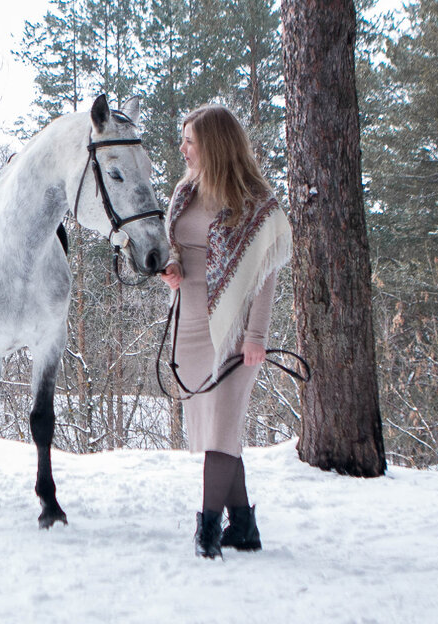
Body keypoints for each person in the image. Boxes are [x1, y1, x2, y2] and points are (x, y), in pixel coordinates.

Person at [159, 105, 292, 559]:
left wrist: (257, 334)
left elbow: (265, 274)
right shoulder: (185, 191)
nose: (183, 148)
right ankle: (245, 529)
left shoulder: (254, 201)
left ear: (214, 144)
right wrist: (172, 268)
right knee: (221, 429)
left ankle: (208, 533)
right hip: (191, 323)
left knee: (222, 427)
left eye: (190, 141)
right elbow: (178, 247)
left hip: (235, 332)